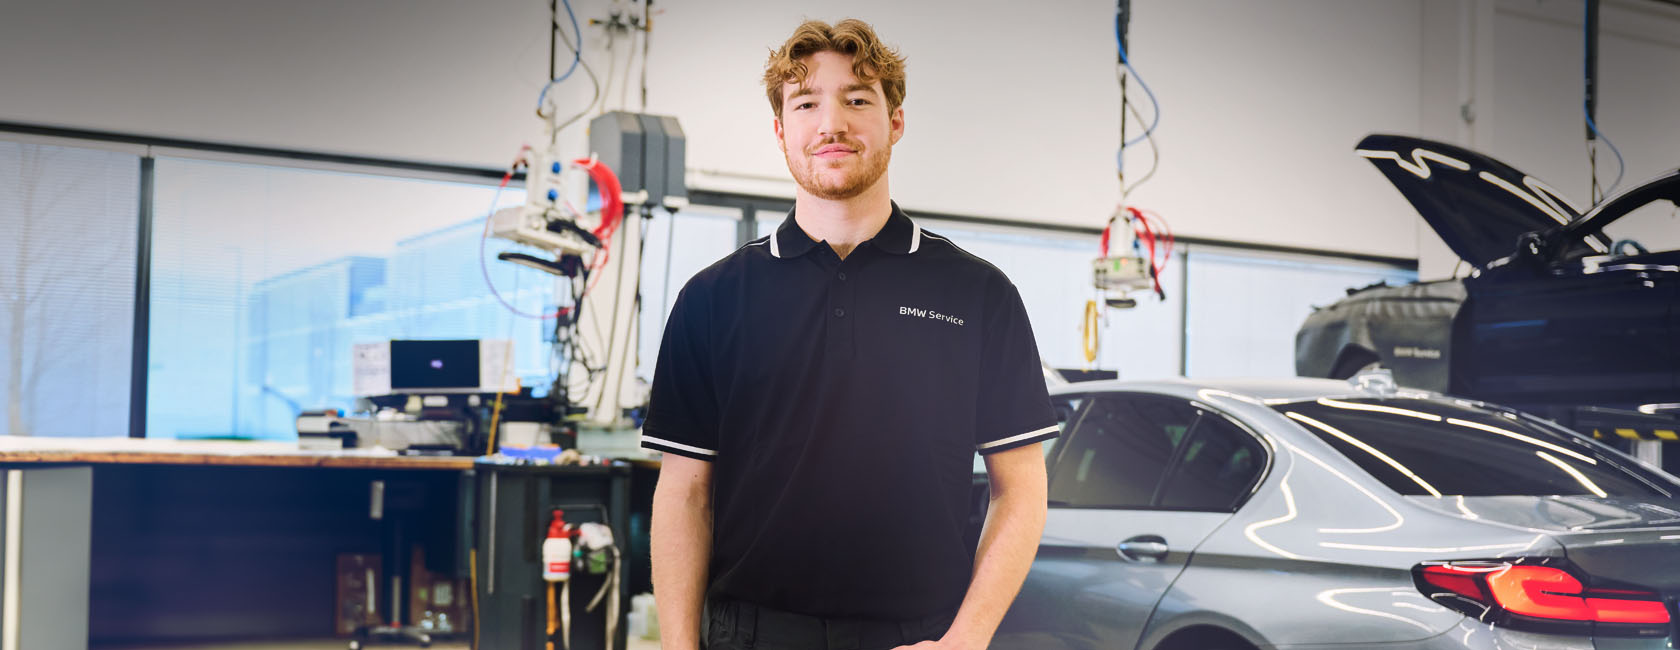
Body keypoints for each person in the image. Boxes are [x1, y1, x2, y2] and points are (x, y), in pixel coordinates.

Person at [643, 18, 1057, 650]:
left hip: (919, 637)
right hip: (752, 634)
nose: (831, 124)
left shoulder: (978, 293)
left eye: (857, 100)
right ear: (781, 131)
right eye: (806, 104)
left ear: (895, 122)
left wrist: (965, 640)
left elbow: (1021, 489)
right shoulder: (712, 298)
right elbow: (684, 493)